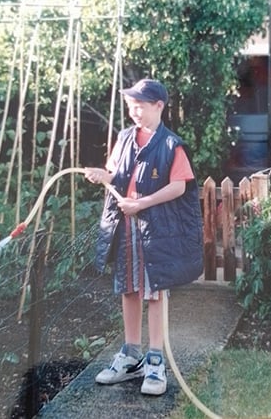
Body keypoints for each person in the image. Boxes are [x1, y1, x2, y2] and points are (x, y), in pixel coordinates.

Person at [84, 78, 203, 396]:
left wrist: (141, 204)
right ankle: (130, 356)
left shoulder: (170, 145)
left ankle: (155, 360)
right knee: (128, 289)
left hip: (156, 233)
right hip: (125, 231)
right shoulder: (124, 139)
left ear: (159, 106)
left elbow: (179, 186)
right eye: (130, 105)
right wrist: (101, 175)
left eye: (140, 105)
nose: (133, 111)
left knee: (153, 292)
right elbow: (116, 175)